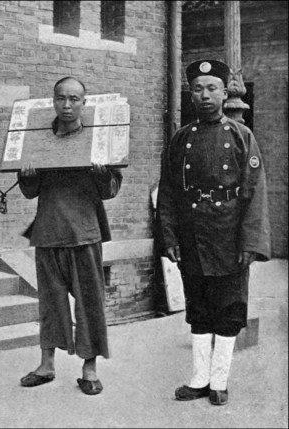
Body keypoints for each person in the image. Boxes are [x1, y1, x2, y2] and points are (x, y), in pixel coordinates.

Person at [156, 59, 270, 406]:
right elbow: (168, 193)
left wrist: (251, 241)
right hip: (192, 232)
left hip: (229, 234)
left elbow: (254, 191)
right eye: (197, 89)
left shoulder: (241, 136)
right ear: (190, 95)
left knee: (228, 307)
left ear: (223, 94)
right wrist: (169, 237)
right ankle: (199, 379)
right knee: (198, 306)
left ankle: (219, 380)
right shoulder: (180, 139)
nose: (204, 95)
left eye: (211, 89)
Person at [17, 77, 123, 395]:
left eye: (74, 99)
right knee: (50, 303)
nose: (66, 105)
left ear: (84, 103)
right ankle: (47, 364)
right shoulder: (39, 139)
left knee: (89, 303)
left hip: (85, 232)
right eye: (61, 98)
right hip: (49, 230)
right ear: (53, 101)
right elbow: (30, 191)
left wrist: (102, 174)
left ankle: (89, 368)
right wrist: (27, 176)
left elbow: (110, 190)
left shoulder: (100, 140)